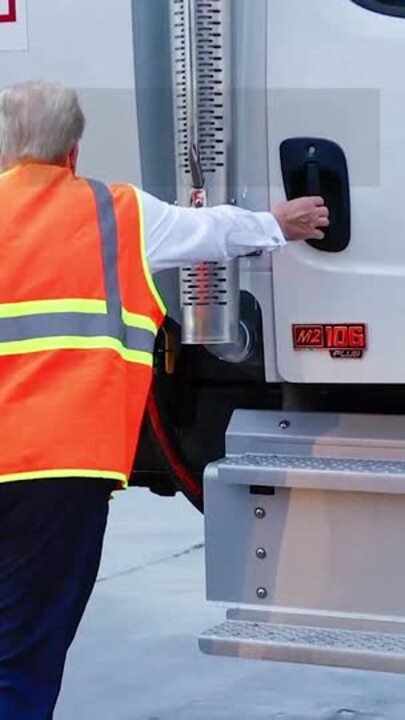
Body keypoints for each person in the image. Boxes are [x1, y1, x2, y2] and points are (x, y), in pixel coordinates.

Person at [0, 81, 329, 719]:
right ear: (73, 151)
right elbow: (209, 232)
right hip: (61, 471)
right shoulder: (113, 210)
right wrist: (280, 223)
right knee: (23, 649)